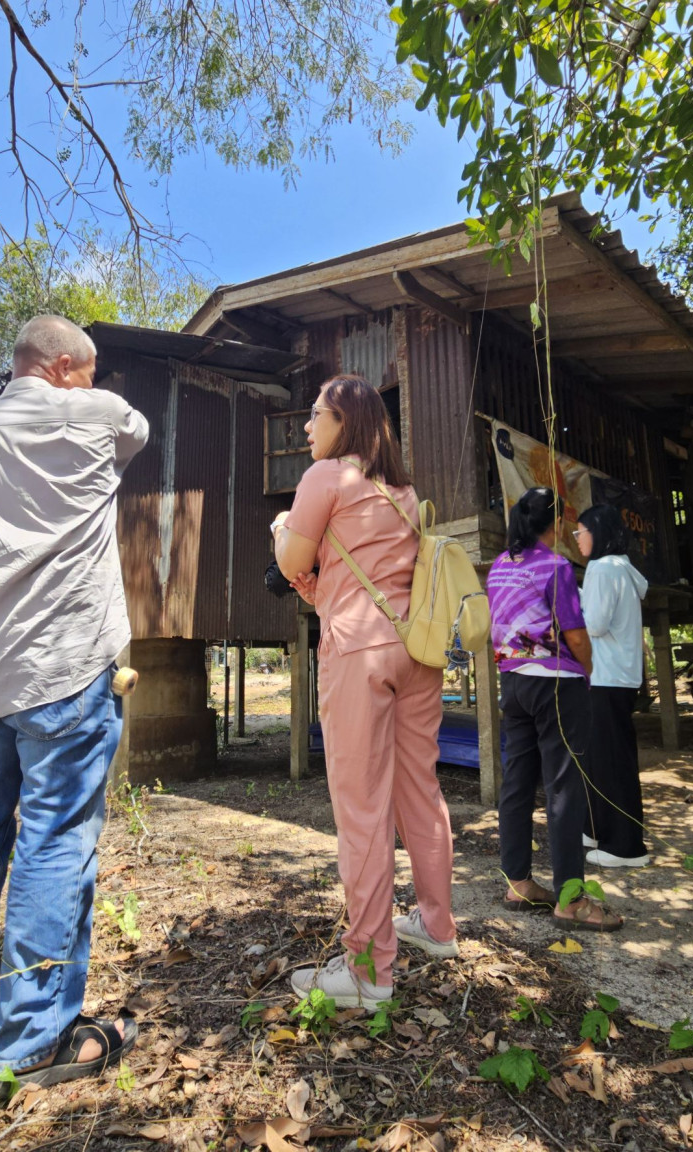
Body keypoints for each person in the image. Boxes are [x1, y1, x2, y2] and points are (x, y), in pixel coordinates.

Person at [0, 315, 149, 1088]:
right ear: (66, 366)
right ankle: (33, 1041)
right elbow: (137, 430)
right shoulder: (93, 415)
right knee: (54, 841)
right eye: (90, 370)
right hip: (65, 670)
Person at [272, 374, 457, 1009]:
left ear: (344, 421)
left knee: (362, 808)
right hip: (415, 651)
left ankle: (369, 969)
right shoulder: (401, 490)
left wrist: (282, 527)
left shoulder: (325, 477)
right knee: (419, 791)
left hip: (358, 652)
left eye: (315, 414)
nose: (306, 426)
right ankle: (437, 924)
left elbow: (293, 562)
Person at [486, 488, 621, 932]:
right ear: (556, 523)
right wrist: (588, 670)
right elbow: (576, 634)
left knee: (517, 783)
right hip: (556, 683)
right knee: (564, 788)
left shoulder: (500, 565)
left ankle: (518, 883)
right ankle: (570, 899)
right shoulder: (557, 566)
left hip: (513, 682)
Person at [572, 505, 651, 869]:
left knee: (611, 761)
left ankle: (626, 846)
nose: (577, 539)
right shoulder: (622, 568)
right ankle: (595, 828)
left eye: (581, 532)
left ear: (598, 532)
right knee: (601, 758)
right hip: (617, 675)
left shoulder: (603, 568)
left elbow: (595, 625)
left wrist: (566, 601)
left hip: (605, 676)